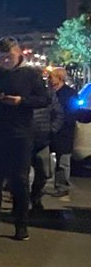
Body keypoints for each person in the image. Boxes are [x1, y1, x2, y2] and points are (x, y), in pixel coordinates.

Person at [0, 37, 52, 241]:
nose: (6, 61)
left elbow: (45, 99)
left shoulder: (30, 75)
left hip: (21, 133)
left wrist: (22, 101)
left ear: (18, 53)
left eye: (9, 57)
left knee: (20, 180)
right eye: (2, 57)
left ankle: (21, 223)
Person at [48, 68, 89, 199]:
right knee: (42, 160)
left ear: (59, 78)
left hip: (64, 132)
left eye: (51, 77)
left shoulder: (69, 93)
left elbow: (73, 113)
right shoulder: (47, 92)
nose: (49, 79)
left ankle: (62, 186)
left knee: (63, 161)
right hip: (48, 131)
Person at [27, 78, 63, 212]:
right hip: (23, 139)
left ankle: (36, 196)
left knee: (43, 173)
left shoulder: (48, 94)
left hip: (42, 139)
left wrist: (51, 129)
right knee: (21, 174)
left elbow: (58, 113)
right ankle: (21, 201)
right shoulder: (22, 92)